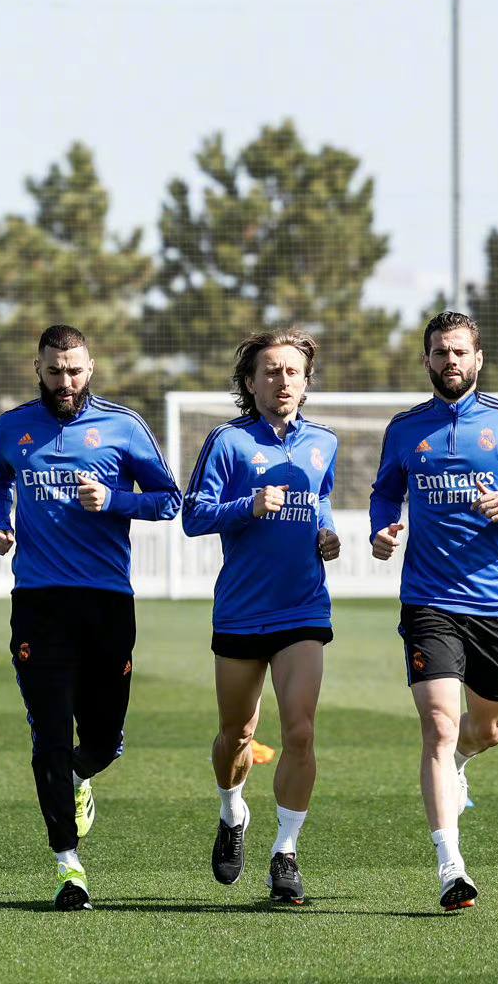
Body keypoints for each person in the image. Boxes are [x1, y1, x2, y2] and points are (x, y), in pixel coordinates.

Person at [370, 311, 498, 911]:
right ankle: (450, 867)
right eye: (440, 352)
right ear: (426, 360)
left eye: (459, 352)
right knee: (438, 725)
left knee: (488, 731)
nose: (450, 361)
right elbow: (384, 492)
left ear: (478, 359)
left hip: (493, 604)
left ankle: (460, 761)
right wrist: (382, 530)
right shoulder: (406, 428)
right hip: (428, 601)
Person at [0, 324, 181, 910]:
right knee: (48, 733)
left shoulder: (124, 426)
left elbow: (169, 500)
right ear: (37, 369)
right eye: (54, 371)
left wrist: (114, 500)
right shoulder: (13, 427)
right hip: (39, 602)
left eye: (74, 371)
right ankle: (69, 868)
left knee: (103, 740)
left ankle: (80, 774)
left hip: (106, 602)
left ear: (90, 369)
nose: (64, 381)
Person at [182, 330, 339, 905]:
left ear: (306, 381)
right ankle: (232, 811)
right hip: (242, 611)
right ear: (250, 383)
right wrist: (247, 506)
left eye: (293, 371)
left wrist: (326, 531)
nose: (283, 380)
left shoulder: (324, 442)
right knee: (238, 734)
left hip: (303, 606)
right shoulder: (227, 442)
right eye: (271, 371)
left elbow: (320, 499)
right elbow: (193, 516)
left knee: (300, 731)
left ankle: (286, 853)